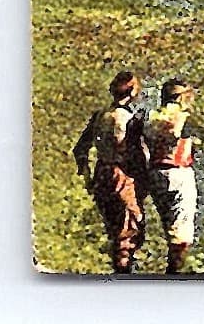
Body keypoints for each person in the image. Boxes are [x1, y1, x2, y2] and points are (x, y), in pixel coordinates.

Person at [71, 71, 148, 274]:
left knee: (116, 230)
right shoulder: (130, 120)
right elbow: (138, 156)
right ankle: (124, 277)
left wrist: (88, 176)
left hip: (102, 173)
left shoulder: (100, 116)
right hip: (121, 176)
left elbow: (80, 150)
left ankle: (121, 271)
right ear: (132, 92)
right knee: (127, 230)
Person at [142, 77, 201, 274]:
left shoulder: (152, 118)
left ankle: (173, 269)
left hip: (155, 172)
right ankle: (175, 274)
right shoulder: (183, 118)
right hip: (178, 171)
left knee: (169, 224)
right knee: (181, 234)